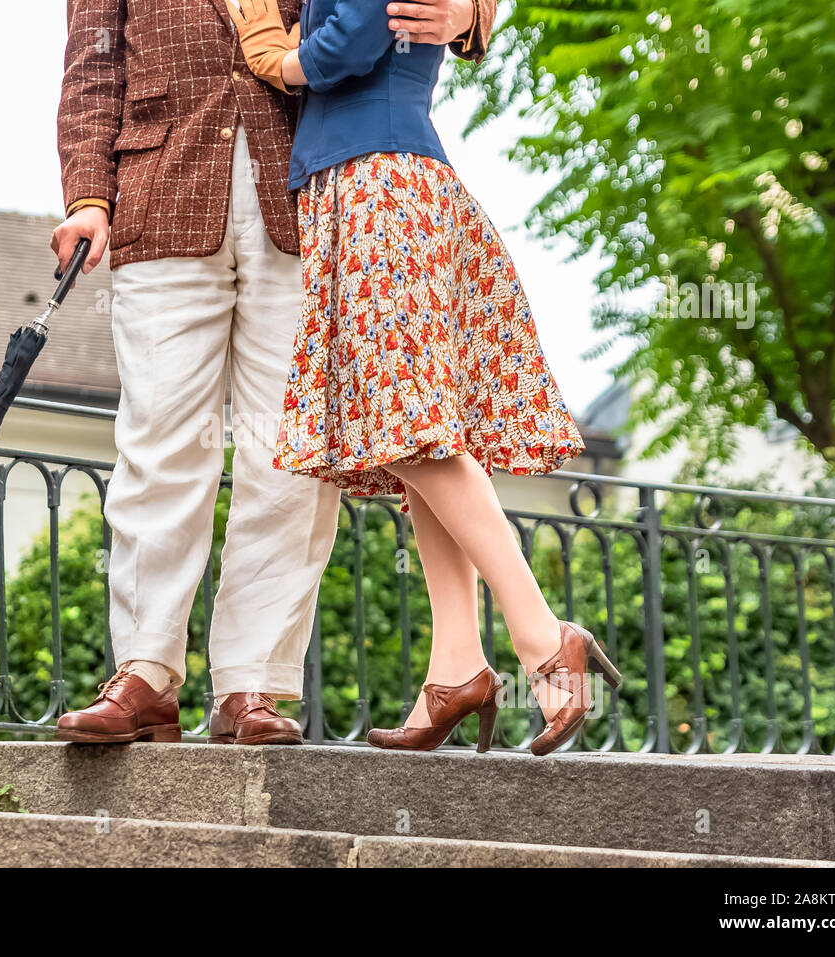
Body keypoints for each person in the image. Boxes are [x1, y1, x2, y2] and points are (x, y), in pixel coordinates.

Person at [51, 0, 486, 745]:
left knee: (289, 459)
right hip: (161, 195)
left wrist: (473, 13)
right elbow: (93, 64)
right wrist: (88, 196)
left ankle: (252, 683)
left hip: (303, 194)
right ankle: (146, 673)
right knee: (159, 442)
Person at [227, 0, 622, 755]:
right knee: (416, 431)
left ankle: (541, 633)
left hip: (375, 177)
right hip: (385, 172)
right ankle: (456, 664)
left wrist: (275, 56)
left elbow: (349, 40)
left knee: (403, 426)